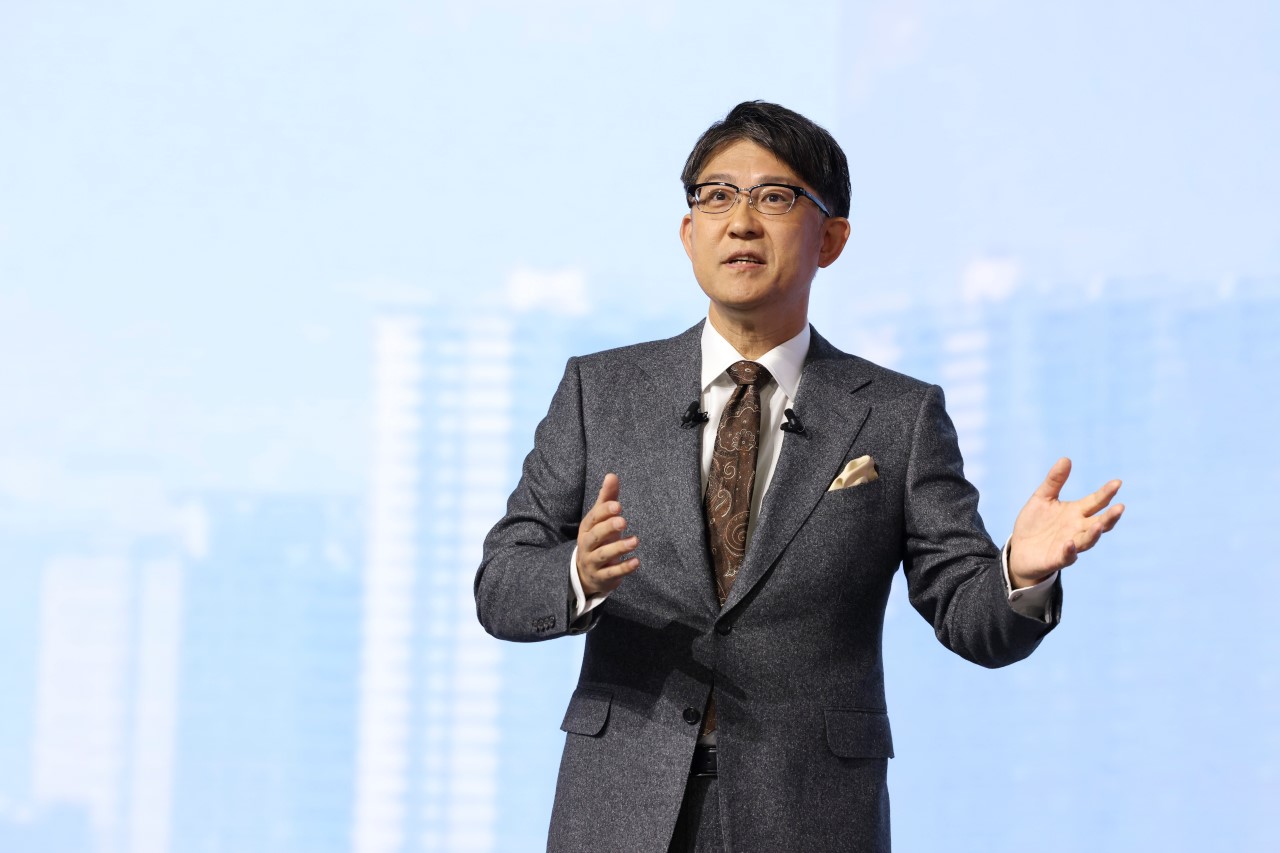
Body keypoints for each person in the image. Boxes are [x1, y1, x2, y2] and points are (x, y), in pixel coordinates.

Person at [475, 101, 1124, 853]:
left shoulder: (897, 415)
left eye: (775, 197)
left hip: (811, 812)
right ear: (688, 233)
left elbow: (968, 615)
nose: (740, 222)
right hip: (620, 808)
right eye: (717, 197)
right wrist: (577, 574)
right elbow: (501, 585)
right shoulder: (602, 390)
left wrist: (1021, 573)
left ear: (832, 238)